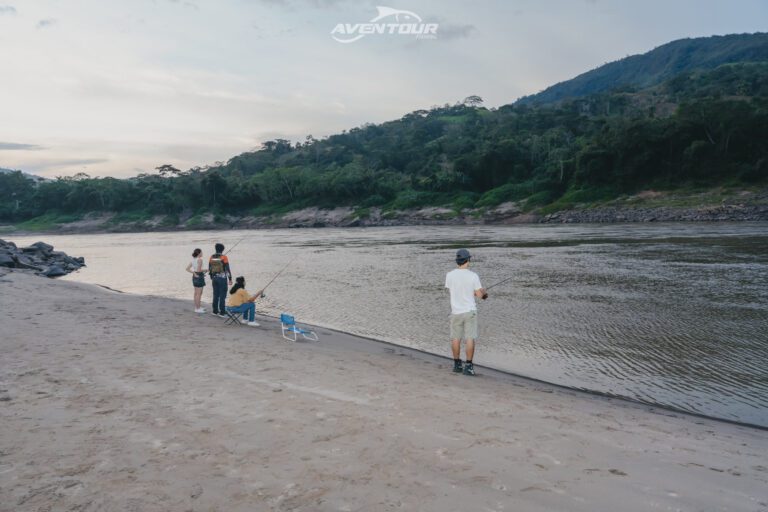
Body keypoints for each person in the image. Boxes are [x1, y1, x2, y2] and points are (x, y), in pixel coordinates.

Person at [445, 248, 487, 376]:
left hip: (455, 312)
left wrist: (471, 292)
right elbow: (480, 296)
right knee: (470, 338)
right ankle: (468, 367)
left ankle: (457, 365)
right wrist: (484, 293)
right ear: (468, 260)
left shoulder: (449, 275)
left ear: (457, 261)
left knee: (455, 338)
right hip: (469, 311)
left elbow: (453, 291)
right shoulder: (473, 276)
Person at [209, 243, 232, 317]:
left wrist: (212, 277)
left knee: (215, 295)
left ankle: (215, 311)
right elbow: (227, 269)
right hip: (222, 279)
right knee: (222, 296)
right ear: (222, 250)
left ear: (216, 249)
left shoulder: (211, 257)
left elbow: (210, 268)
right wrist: (230, 279)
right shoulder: (224, 257)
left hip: (214, 278)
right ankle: (222, 312)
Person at [185, 248, 206, 313]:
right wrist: (206, 270)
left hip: (195, 276)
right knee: (199, 294)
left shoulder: (193, 260)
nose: (202, 253)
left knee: (196, 293)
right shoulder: (200, 260)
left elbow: (187, 269)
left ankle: (197, 307)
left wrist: (194, 273)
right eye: (201, 252)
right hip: (199, 276)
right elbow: (199, 270)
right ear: (199, 253)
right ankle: (197, 308)